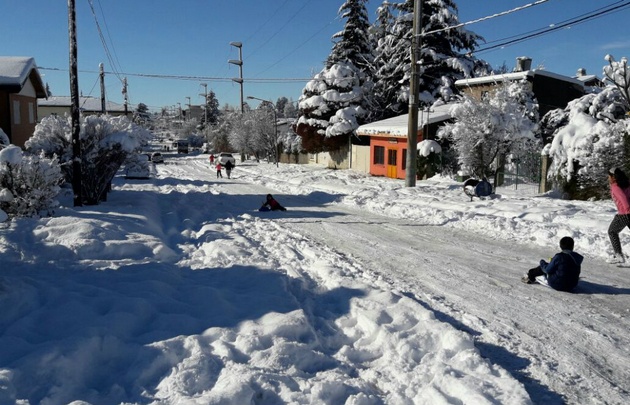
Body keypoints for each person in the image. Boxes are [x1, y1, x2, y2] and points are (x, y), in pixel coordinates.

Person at [607, 167, 630, 264]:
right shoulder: (627, 184)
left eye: (608, 176)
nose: (607, 178)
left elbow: (623, 198)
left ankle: (618, 255)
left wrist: (628, 211)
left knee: (612, 231)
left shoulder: (615, 186)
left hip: (625, 214)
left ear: (613, 177)